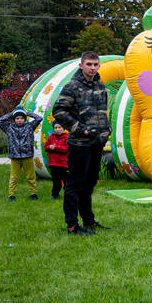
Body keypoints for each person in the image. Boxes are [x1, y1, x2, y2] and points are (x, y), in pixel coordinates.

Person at [52, 51, 112, 235]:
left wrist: (106, 130)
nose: (92, 68)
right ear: (81, 66)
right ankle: (72, 225)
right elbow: (59, 110)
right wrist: (81, 129)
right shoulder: (72, 86)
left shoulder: (100, 86)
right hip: (79, 144)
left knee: (89, 184)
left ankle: (89, 221)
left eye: (95, 64)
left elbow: (102, 111)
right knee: (74, 184)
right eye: (89, 64)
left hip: (97, 143)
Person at [0, 107, 43, 200]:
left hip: (27, 156)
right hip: (15, 157)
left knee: (30, 176)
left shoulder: (30, 126)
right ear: (14, 119)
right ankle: (11, 195)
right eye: (17, 118)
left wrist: (27, 113)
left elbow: (39, 118)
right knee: (14, 177)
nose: (19, 120)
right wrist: (12, 113)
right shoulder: (9, 127)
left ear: (25, 119)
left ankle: (33, 193)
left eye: (22, 118)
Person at [44, 122, 69, 200]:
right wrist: (49, 147)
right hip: (53, 163)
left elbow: (66, 149)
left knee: (66, 181)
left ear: (64, 128)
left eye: (59, 127)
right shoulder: (51, 137)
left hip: (63, 164)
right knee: (56, 181)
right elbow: (45, 147)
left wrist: (56, 147)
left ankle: (68, 194)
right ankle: (55, 194)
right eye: (56, 128)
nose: (57, 129)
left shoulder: (67, 137)